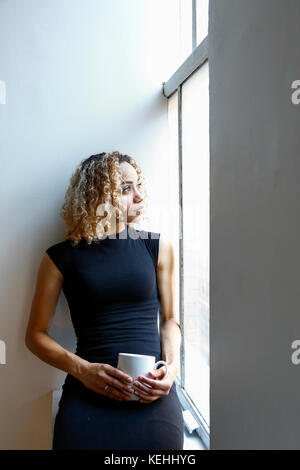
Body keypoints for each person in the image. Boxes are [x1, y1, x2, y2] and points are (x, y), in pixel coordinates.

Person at [25, 150, 184, 450]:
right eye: (126, 189)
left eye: (138, 186)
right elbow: (34, 335)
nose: (139, 196)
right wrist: (83, 371)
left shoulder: (158, 246)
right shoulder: (59, 257)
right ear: (99, 195)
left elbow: (171, 320)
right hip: (88, 394)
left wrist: (172, 370)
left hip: (151, 395)